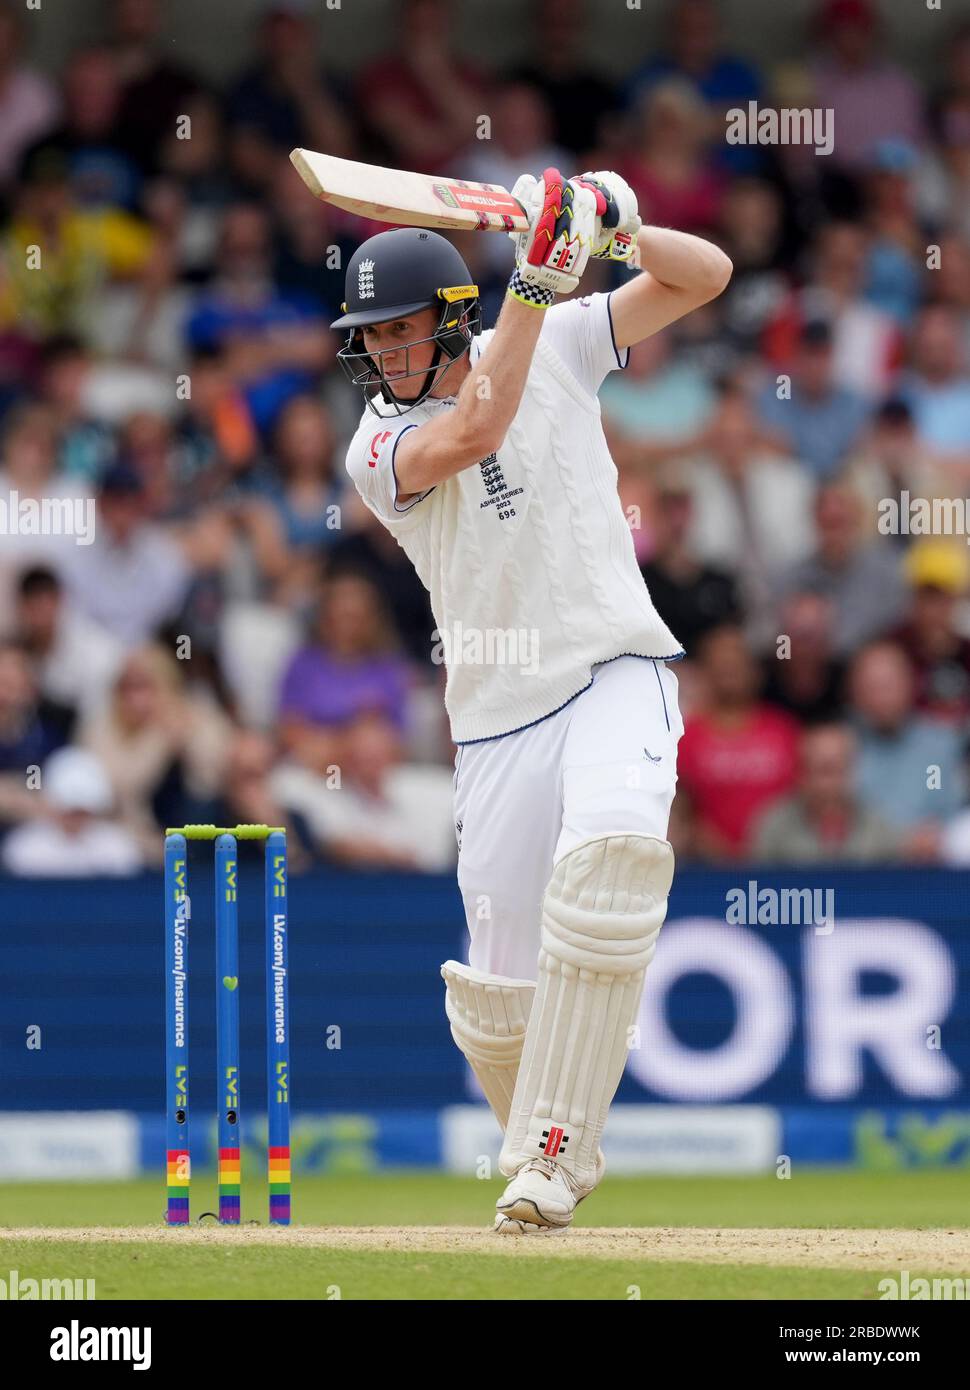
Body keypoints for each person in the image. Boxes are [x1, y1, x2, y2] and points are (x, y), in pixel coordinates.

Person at [332, 167, 731, 1233]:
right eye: (369, 336)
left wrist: (621, 225)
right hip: (496, 717)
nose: (382, 353)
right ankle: (546, 1149)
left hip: (615, 667)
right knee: (493, 1002)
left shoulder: (556, 333)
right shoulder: (374, 447)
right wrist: (538, 283)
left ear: (451, 317)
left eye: (401, 331)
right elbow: (476, 429)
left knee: (610, 868)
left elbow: (708, 276)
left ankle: (552, 1159)